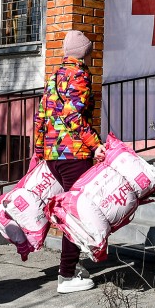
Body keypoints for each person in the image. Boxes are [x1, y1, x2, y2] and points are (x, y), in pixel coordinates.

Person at [32, 30, 107, 294]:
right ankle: (66, 275)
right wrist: (96, 145)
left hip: (54, 154)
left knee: (69, 211)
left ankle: (71, 267)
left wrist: (39, 151)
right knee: (75, 214)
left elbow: (41, 116)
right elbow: (73, 118)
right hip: (73, 154)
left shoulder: (54, 76)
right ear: (84, 52)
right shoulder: (79, 75)